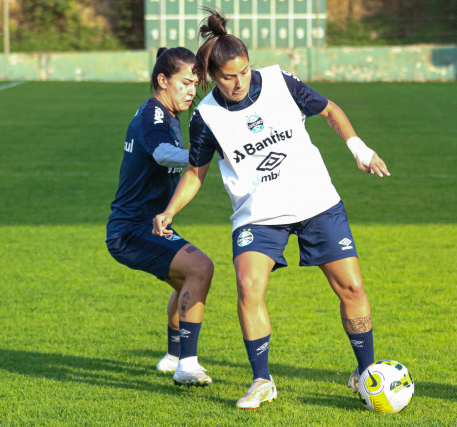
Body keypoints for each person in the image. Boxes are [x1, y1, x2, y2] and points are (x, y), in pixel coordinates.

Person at [153, 9, 390, 409]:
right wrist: (169, 211)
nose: (239, 82)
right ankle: (262, 380)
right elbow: (195, 173)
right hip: (257, 215)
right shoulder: (206, 117)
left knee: (352, 286)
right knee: (249, 286)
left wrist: (359, 149)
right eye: (228, 76)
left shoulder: (281, 82)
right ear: (212, 75)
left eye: (244, 71)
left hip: (316, 203)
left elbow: (330, 110)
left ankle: (366, 373)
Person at [106, 47, 214, 387]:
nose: (191, 91)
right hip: (132, 231)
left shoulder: (165, 114)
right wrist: (205, 154)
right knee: (201, 268)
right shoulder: (154, 114)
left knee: (188, 282)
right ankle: (187, 365)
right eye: (184, 82)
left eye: (195, 83)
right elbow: (163, 153)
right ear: (162, 80)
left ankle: (172, 357)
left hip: (144, 225)